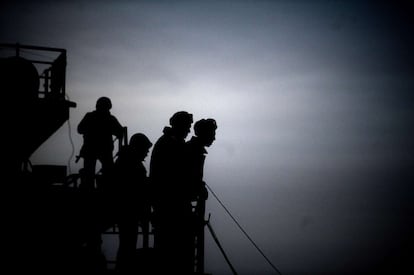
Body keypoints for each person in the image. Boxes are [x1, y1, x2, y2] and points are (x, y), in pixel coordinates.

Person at [149, 111, 194, 274]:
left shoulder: (169, 142)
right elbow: (174, 175)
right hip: (169, 205)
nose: (189, 131)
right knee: (169, 251)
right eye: (187, 127)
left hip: (167, 203)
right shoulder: (169, 144)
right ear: (179, 126)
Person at [114, 133, 153, 273]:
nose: (147, 153)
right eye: (145, 149)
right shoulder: (131, 163)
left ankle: (123, 268)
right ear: (139, 147)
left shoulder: (125, 160)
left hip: (128, 210)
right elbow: (136, 189)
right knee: (127, 244)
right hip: (129, 211)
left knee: (127, 244)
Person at [183, 118, 217, 273]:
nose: (214, 137)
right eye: (212, 133)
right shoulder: (193, 150)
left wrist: (199, 185)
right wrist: (198, 187)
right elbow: (185, 177)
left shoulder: (192, 148)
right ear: (204, 133)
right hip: (178, 205)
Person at [77, 96, 124, 190]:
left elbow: (80, 129)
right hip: (103, 150)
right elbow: (120, 132)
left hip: (91, 149)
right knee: (107, 172)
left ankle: (90, 189)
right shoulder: (110, 119)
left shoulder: (90, 116)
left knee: (90, 173)